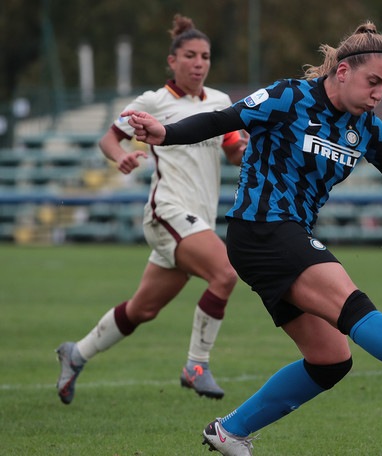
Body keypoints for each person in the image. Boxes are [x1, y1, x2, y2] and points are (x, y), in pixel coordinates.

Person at [122, 21, 382, 455]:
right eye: (373, 82)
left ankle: (229, 432)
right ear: (342, 72)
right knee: (354, 307)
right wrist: (166, 134)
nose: (378, 94)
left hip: (287, 235)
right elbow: (223, 119)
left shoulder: (367, 128)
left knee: (331, 359)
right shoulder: (290, 96)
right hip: (262, 230)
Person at [55, 14, 248, 404]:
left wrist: (250, 150)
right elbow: (109, 139)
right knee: (225, 273)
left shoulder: (221, 102)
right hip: (168, 212)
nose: (199, 63)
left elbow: (232, 152)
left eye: (205, 56)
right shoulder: (153, 102)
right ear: (172, 61)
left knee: (142, 310)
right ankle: (196, 365)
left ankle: (76, 353)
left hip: (197, 220)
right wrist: (121, 156)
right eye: (190, 55)